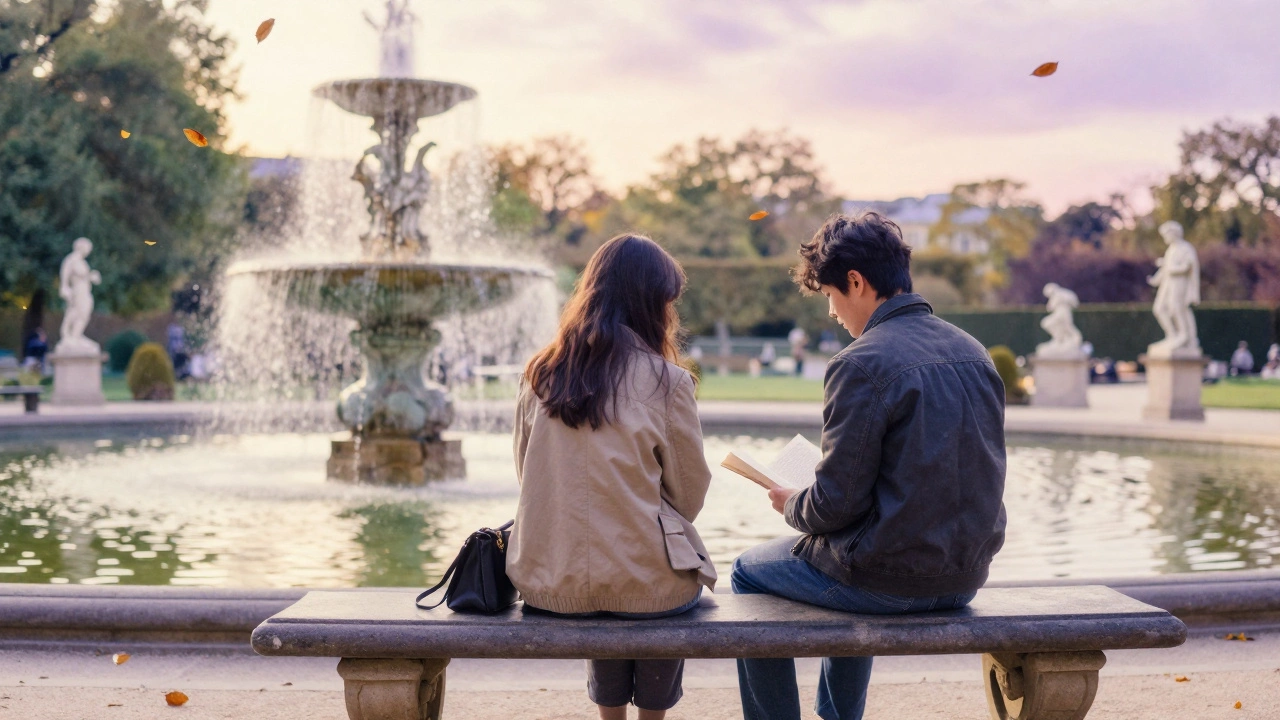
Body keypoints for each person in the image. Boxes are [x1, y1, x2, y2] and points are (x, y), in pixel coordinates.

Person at [732, 212, 1007, 720]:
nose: (833, 312)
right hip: (966, 574)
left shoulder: (861, 362)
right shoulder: (975, 352)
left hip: (890, 580)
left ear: (856, 282)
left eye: (831, 296)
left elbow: (835, 505)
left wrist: (792, 503)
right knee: (850, 549)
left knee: (748, 571)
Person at [508, 234, 716, 720]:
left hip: (550, 583)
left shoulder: (538, 373)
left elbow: (529, 478)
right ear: (651, 302)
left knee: (606, 574)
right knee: (647, 573)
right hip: (646, 587)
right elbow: (688, 496)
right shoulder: (668, 382)